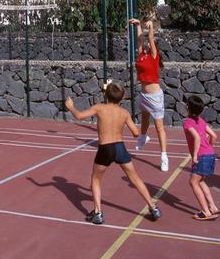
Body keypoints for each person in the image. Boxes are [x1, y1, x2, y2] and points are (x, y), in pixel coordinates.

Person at [65, 81, 161, 225]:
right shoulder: (124, 113)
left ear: (105, 94)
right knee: (135, 178)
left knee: (96, 179)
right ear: (122, 98)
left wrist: (71, 107)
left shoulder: (99, 108)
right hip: (120, 147)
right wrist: (143, 131)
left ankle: (98, 213)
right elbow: (136, 133)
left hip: (105, 148)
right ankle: (153, 208)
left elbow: (79, 116)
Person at [130, 18, 169, 172]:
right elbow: (140, 40)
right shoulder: (141, 56)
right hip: (143, 95)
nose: (146, 44)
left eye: (149, 44)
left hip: (155, 97)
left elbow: (150, 38)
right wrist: (138, 25)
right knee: (144, 119)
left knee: (159, 128)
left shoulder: (154, 56)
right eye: (145, 44)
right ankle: (143, 137)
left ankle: (164, 157)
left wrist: (151, 27)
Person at [183, 95, 220, 220]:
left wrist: (194, 155)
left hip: (201, 156)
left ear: (188, 108)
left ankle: (205, 211)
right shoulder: (202, 121)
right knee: (200, 181)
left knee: (193, 182)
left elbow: (197, 138)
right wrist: (209, 147)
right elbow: (214, 135)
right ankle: (213, 206)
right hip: (210, 154)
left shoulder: (187, 122)